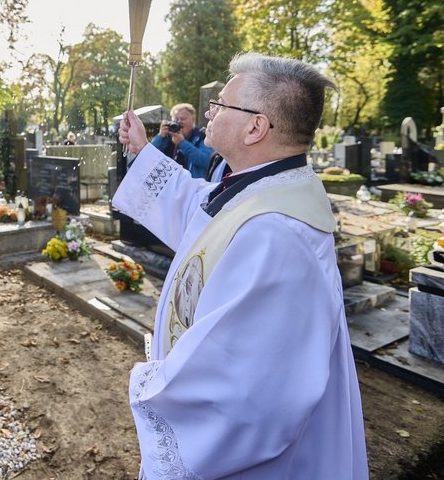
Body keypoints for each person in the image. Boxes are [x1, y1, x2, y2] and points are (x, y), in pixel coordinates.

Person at [112, 53, 367, 479]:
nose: (210, 112)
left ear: (255, 126)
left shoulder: (278, 234)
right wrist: (142, 149)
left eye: (222, 104)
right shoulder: (267, 186)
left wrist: (152, 385)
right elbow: (199, 212)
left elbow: (241, 394)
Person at [151, 102, 213, 178]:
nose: (179, 122)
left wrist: (182, 143)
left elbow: (207, 161)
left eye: (183, 119)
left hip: (193, 186)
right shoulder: (167, 137)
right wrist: (160, 136)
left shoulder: (202, 137)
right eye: (176, 119)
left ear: (193, 120)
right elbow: (150, 156)